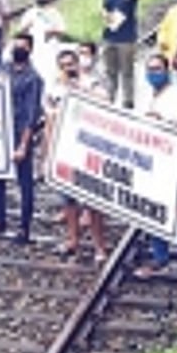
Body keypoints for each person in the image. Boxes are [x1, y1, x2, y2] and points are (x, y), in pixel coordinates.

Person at [133, 54, 177, 281]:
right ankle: (160, 258)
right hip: (151, 164)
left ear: (168, 70)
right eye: (150, 69)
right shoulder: (145, 95)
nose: (153, 73)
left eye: (158, 69)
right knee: (152, 211)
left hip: (175, 164)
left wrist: (164, 126)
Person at [52, 48, 110, 261]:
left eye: (71, 64)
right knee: (68, 202)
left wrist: (80, 90)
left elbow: (105, 105)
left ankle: (100, 247)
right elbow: (50, 118)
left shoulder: (92, 84)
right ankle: (73, 240)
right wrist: (48, 151)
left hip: (88, 150)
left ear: (78, 64)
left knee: (92, 203)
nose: (68, 68)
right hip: (66, 149)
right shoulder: (56, 88)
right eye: (63, 65)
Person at [0, 32, 44, 244]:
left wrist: (23, 144)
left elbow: (31, 115)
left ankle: (24, 227)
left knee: (24, 181)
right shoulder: (4, 69)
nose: (17, 49)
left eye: (22, 46)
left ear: (30, 50)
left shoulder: (34, 78)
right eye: (15, 45)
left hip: (20, 131)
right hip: (1, 130)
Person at [101, 0, 143, 109]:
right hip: (109, 37)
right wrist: (106, 16)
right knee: (110, 71)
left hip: (126, 38)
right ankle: (109, 98)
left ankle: (128, 101)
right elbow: (105, 9)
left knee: (127, 71)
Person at [17, 0, 66, 87]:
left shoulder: (54, 13)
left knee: (50, 73)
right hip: (34, 49)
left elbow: (62, 31)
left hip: (50, 49)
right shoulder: (30, 13)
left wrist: (52, 32)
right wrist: (27, 26)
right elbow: (20, 31)